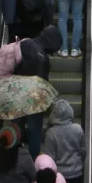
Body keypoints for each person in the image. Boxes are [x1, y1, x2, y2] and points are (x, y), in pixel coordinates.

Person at [14, 25, 62, 159]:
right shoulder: (42, 58)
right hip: (33, 100)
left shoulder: (26, 43)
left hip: (17, 92)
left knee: (16, 125)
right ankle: (33, 158)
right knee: (35, 130)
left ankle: (13, 154)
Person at [44, 99, 86, 183]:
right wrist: (80, 164)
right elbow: (83, 151)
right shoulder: (78, 129)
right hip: (76, 173)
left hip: (59, 177)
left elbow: (49, 158)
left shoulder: (50, 134)